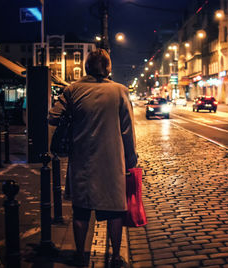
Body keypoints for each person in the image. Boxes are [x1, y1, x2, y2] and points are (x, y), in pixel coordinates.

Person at [48, 49, 137, 267]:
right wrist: (131, 159)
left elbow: (52, 115)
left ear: (87, 67)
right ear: (108, 68)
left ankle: (80, 255)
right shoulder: (120, 92)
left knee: (81, 210)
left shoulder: (73, 90)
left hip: (82, 160)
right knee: (115, 210)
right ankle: (115, 257)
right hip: (112, 162)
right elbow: (127, 131)